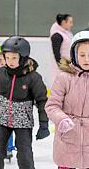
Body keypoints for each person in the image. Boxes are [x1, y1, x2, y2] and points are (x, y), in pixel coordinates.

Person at [0, 36, 50, 169]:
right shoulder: (0, 74)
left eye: (14, 57)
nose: (10, 61)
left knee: (25, 155)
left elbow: (42, 101)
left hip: (23, 121)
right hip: (1, 119)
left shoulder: (33, 77)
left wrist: (44, 124)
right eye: (7, 57)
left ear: (23, 57)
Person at [45, 30, 89, 169]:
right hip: (68, 137)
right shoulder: (64, 77)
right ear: (74, 55)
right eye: (82, 55)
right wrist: (61, 119)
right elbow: (52, 105)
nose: (86, 59)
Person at [50, 14, 73, 84]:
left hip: (68, 65)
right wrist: (62, 66)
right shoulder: (57, 35)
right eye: (70, 22)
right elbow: (56, 53)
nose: (72, 24)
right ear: (63, 22)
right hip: (62, 67)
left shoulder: (67, 34)